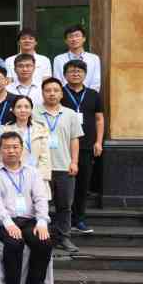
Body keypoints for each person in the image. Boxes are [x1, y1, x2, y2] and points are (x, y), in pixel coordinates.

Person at [0, 131, 54, 284]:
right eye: (6, 147)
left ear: (22, 149)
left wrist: (42, 221)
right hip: (0, 221)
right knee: (14, 241)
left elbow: (41, 198)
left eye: (15, 147)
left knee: (44, 241)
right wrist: (8, 223)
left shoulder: (33, 172)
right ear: (0, 150)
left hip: (28, 220)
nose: (11, 151)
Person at [36, 78, 84, 254]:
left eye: (56, 90)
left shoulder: (70, 114)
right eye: (48, 90)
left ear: (62, 93)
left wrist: (74, 162)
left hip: (64, 166)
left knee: (64, 205)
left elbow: (74, 139)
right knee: (41, 204)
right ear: (42, 93)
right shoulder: (33, 112)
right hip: (40, 168)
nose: (52, 94)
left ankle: (63, 237)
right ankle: (43, 237)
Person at [61, 59, 104, 233]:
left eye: (79, 71)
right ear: (65, 75)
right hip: (64, 145)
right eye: (71, 71)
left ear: (85, 74)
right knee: (64, 185)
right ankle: (64, 220)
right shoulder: (59, 93)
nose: (75, 74)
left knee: (83, 184)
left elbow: (99, 119)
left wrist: (98, 141)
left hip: (87, 145)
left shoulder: (93, 94)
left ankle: (79, 219)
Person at [0, 96, 52, 190]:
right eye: (19, 107)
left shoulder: (41, 129)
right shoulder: (6, 130)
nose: (23, 110)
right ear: (13, 110)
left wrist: (39, 177)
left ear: (31, 109)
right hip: (13, 178)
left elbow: (45, 157)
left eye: (26, 107)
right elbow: (2, 156)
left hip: (37, 178)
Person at [52, 24, 101, 91]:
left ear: (84, 39)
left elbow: (96, 82)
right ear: (66, 41)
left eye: (77, 36)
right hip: (65, 95)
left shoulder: (94, 59)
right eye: (70, 36)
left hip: (89, 95)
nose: (74, 39)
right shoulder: (59, 59)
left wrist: (89, 95)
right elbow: (58, 81)